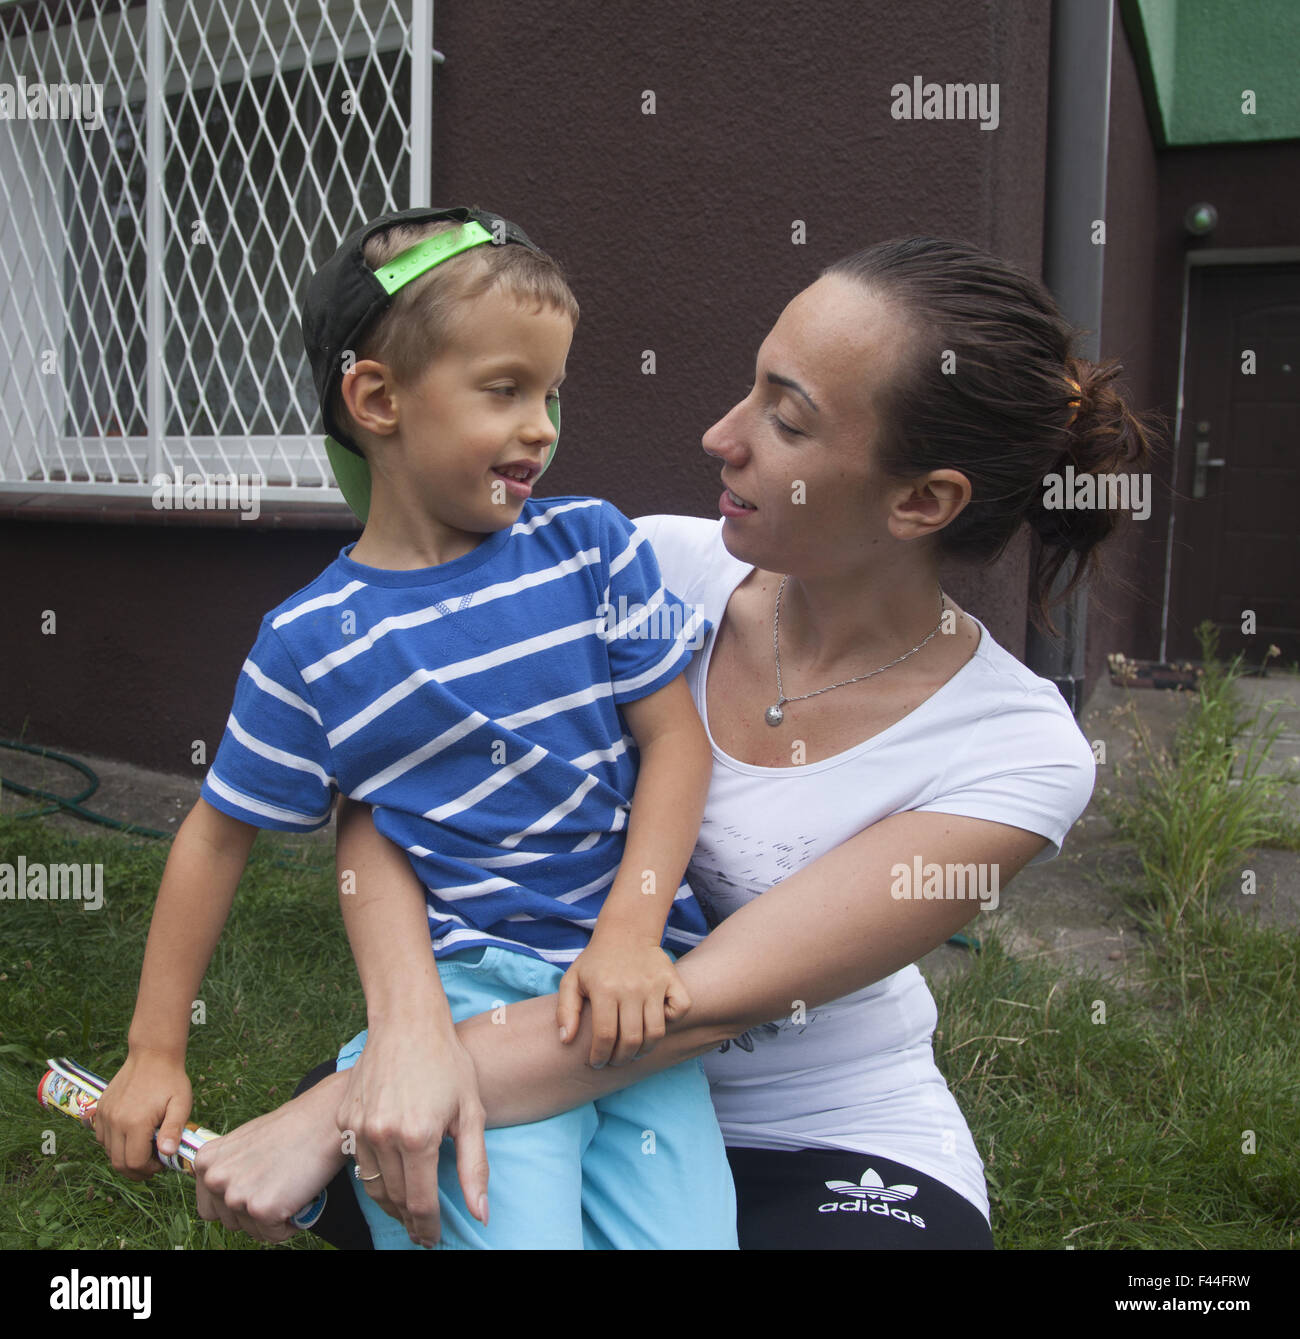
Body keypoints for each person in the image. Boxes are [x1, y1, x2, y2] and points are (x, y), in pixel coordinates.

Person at [193, 235, 1154, 1250]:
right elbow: (390, 790)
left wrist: (331, 1110)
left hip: (808, 1132)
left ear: (921, 501)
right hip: (523, 1051)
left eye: (786, 419)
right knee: (406, 1171)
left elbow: (695, 1008)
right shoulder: (641, 564)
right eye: (751, 386)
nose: (720, 435)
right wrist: (407, 1035)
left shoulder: (1014, 747)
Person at [95, 206, 738, 1251]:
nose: (542, 426)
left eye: (551, 392)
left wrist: (630, 931)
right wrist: (154, 1051)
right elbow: (214, 837)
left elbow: (675, 741)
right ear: (378, 399)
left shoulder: (592, 549)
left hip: (627, 989)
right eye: (505, 390)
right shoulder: (310, 644)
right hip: (459, 1004)